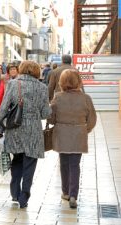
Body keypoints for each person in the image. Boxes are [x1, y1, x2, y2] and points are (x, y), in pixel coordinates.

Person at [0, 61, 52, 208]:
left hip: (15, 128)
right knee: (30, 164)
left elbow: (3, 107)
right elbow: (45, 113)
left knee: (17, 160)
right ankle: (24, 197)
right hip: (33, 130)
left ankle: (15, 192)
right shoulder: (42, 87)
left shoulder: (13, 84)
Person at [48, 69, 96, 209]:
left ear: (61, 82)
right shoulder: (86, 98)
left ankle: (66, 192)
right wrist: (84, 129)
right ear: (78, 81)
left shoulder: (57, 97)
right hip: (78, 134)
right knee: (75, 165)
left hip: (62, 134)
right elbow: (92, 119)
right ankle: (74, 194)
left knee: (64, 164)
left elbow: (51, 119)